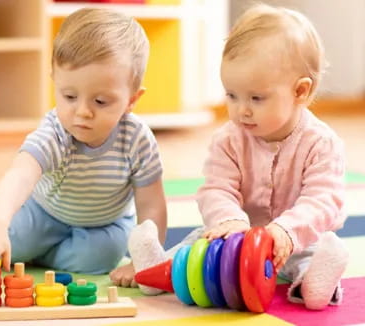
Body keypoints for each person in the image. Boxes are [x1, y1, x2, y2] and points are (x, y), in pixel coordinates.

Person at [0, 7, 167, 286]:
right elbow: (18, 178)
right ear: (55, 82)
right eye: (69, 96)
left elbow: (151, 204)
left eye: (101, 102)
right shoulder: (55, 132)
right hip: (44, 213)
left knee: (102, 259)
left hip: (105, 224)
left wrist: (145, 262)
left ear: (131, 99)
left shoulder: (137, 139)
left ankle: (37, 254)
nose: (82, 112)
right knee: (5, 243)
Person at [128, 4, 348, 310]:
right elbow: (216, 188)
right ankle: (157, 267)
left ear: (299, 91)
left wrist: (285, 231)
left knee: (314, 254)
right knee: (197, 247)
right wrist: (229, 220)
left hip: (298, 241)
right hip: (236, 239)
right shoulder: (229, 138)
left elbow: (323, 200)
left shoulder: (321, 143)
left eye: (256, 98)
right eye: (231, 95)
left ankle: (315, 284)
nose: (241, 109)